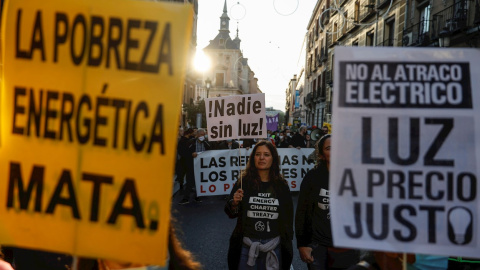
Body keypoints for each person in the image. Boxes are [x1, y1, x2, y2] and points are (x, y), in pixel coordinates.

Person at [225, 140, 294, 270]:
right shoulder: (243, 182)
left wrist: (287, 243)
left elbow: (288, 217)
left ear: (273, 159)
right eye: (258, 154)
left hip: (274, 246)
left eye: (266, 154)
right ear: (253, 158)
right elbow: (230, 212)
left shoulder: (281, 185)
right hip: (246, 246)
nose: (262, 158)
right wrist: (234, 203)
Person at [295, 134, 359, 269]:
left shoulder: (355, 176)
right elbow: (302, 212)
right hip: (318, 246)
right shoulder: (313, 177)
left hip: (348, 247)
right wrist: (302, 244)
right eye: (329, 148)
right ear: (322, 154)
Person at [179, 128, 212, 205]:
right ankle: (186, 198)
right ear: (197, 135)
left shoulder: (206, 143)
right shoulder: (191, 142)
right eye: (201, 135)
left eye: (203, 135)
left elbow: (210, 151)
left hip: (202, 166)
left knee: (200, 182)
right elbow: (184, 152)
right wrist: (191, 155)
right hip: (192, 165)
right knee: (190, 182)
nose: (202, 136)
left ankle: (197, 196)